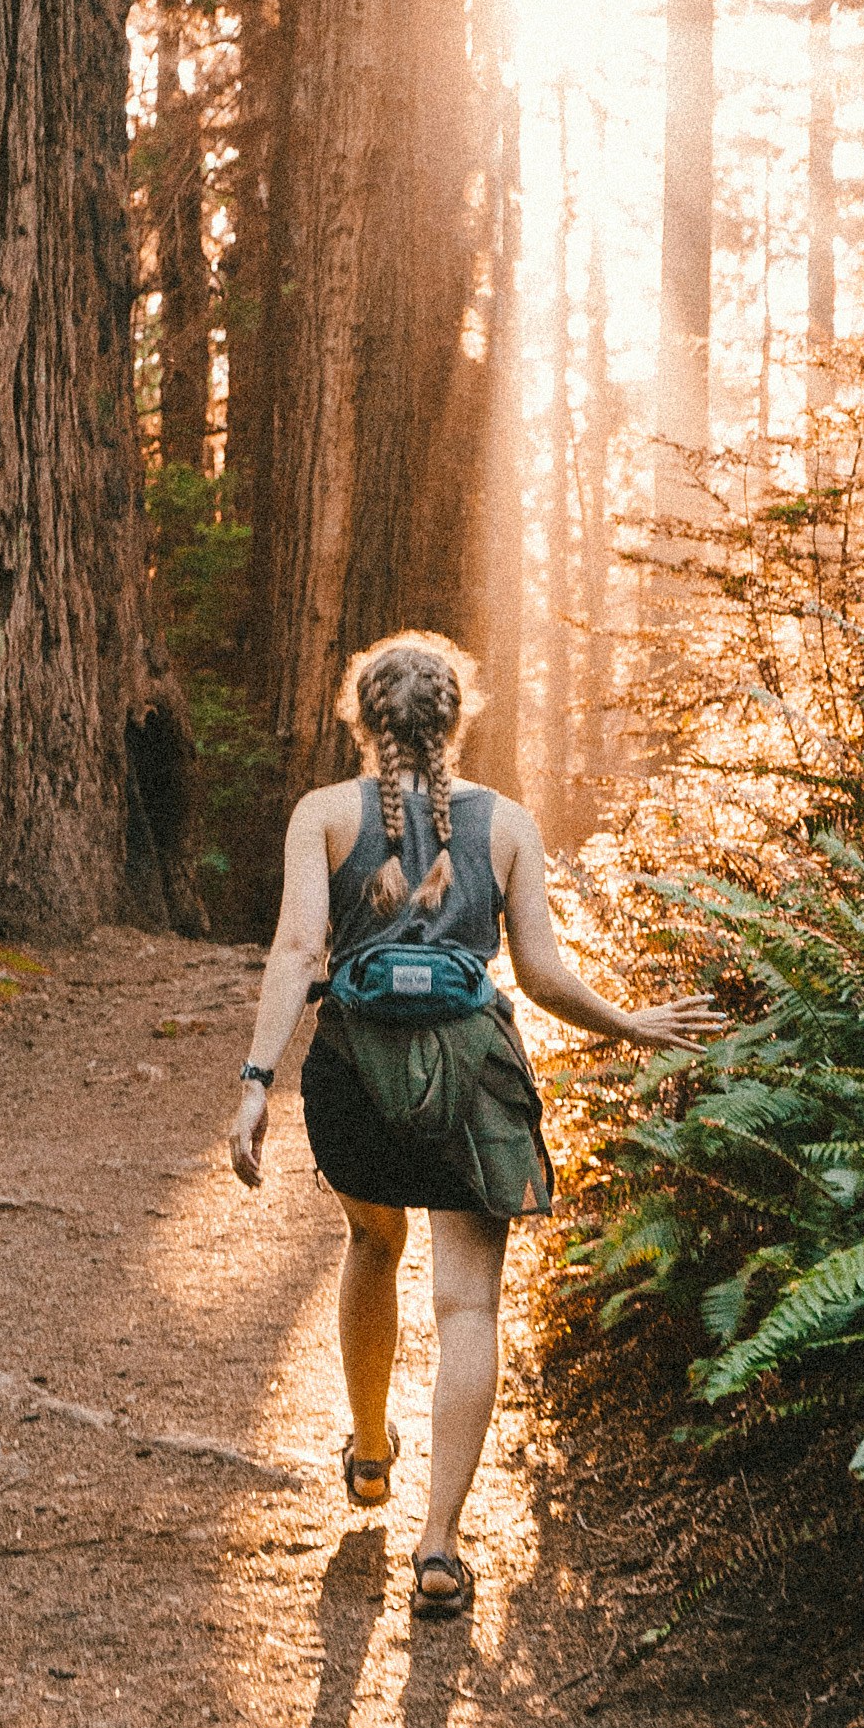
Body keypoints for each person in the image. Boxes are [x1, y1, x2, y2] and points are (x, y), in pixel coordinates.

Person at [227, 628, 721, 1618]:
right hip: (472, 1082)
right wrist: (628, 1021)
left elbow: (292, 950)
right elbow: (538, 975)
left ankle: (371, 1452)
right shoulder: (504, 824)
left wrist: (253, 1084)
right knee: (469, 1309)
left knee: (371, 1242)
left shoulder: (324, 814)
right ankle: (439, 1546)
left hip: (353, 1082)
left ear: (362, 721)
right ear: (457, 720)